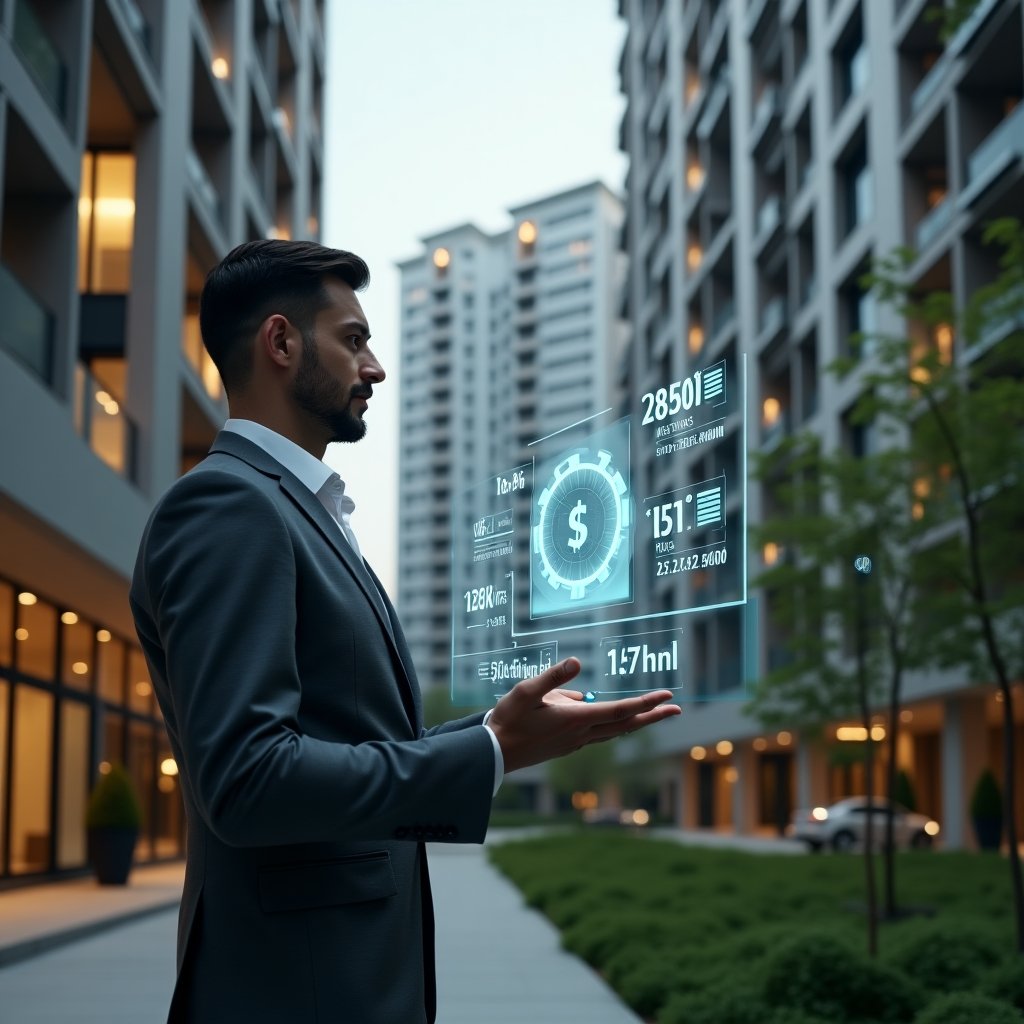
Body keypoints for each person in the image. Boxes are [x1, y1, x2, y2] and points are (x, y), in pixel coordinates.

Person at [129, 239, 680, 1023]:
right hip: (296, 994)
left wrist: (496, 733)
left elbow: (355, 738)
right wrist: (490, 752)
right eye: (353, 339)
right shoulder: (229, 507)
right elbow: (248, 781)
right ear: (281, 343)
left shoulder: (295, 510)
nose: (376, 368)